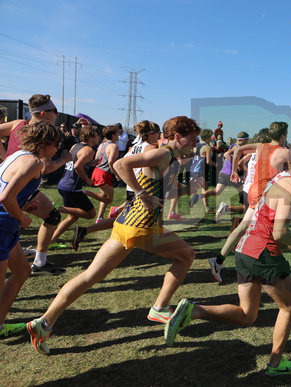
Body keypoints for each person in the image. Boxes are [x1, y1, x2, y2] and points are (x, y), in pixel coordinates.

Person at [26, 116, 201, 355]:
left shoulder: (169, 158)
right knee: (187, 256)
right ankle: (160, 307)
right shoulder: (163, 154)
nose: (195, 142)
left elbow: (161, 189)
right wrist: (141, 194)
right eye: (192, 138)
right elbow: (121, 165)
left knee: (90, 276)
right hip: (142, 225)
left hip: (127, 224)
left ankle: (44, 322)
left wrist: (190, 188)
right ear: (178, 137)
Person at [163, 139, 291, 376]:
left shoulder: (278, 178)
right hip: (264, 254)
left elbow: (268, 226)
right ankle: (276, 365)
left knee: (247, 315)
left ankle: (193, 311)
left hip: (245, 250)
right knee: (289, 307)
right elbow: (279, 233)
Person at [205, 122, 291, 283]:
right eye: (286, 134)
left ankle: (219, 260)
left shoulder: (260, 146)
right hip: (264, 193)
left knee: (246, 226)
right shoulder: (284, 151)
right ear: (282, 135)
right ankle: (263, 263)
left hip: (254, 190)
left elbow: (236, 149)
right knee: (270, 230)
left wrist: (233, 171)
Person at [0, 121, 61, 338]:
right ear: (44, 143)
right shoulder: (33, 163)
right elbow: (4, 197)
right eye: (56, 145)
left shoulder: (15, 156)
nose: (57, 150)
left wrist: (21, 205)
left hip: (5, 224)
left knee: (23, 271)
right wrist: (22, 217)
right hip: (2, 226)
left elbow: (6, 191)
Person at [0, 94, 71, 275]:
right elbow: (45, 169)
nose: (56, 115)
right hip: (20, 187)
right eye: (54, 111)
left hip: (10, 182)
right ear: (42, 113)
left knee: (20, 270)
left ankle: (28, 259)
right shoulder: (44, 137)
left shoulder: (17, 124)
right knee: (52, 216)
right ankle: (39, 261)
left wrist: (4, 159)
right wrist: (64, 159)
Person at [72, 121, 161, 250]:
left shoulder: (133, 147)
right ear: (151, 133)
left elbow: (121, 163)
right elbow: (118, 164)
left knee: (130, 217)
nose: (158, 137)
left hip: (133, 187)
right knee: (132, 218)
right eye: (157, 134)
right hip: (142, 188)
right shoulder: (150, 148)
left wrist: (128, 178)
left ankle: (85, 230)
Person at [49, 126, 101, 244]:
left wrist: (90, 163)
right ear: (91, 136)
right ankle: (59, 208)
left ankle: (51, 241)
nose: (99, 138)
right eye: (98, 135)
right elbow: (77, 166)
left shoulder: (75, 146)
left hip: (63, 184)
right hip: (72, 187)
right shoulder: (89, 150)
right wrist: (87, 180)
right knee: (91, 214)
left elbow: (73, 163)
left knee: (72, 217)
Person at [85, 125, 121, 223]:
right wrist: (117, 174)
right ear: (113, 135)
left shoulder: (102, 144)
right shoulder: (114, 146)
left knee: (104, 196)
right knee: (109, 199)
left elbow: (96, 158)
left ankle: (99, 218)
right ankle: (87, 192)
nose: (119, 135)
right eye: (118, 133)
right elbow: (110, 162)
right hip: (104, 173)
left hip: (97, 171)